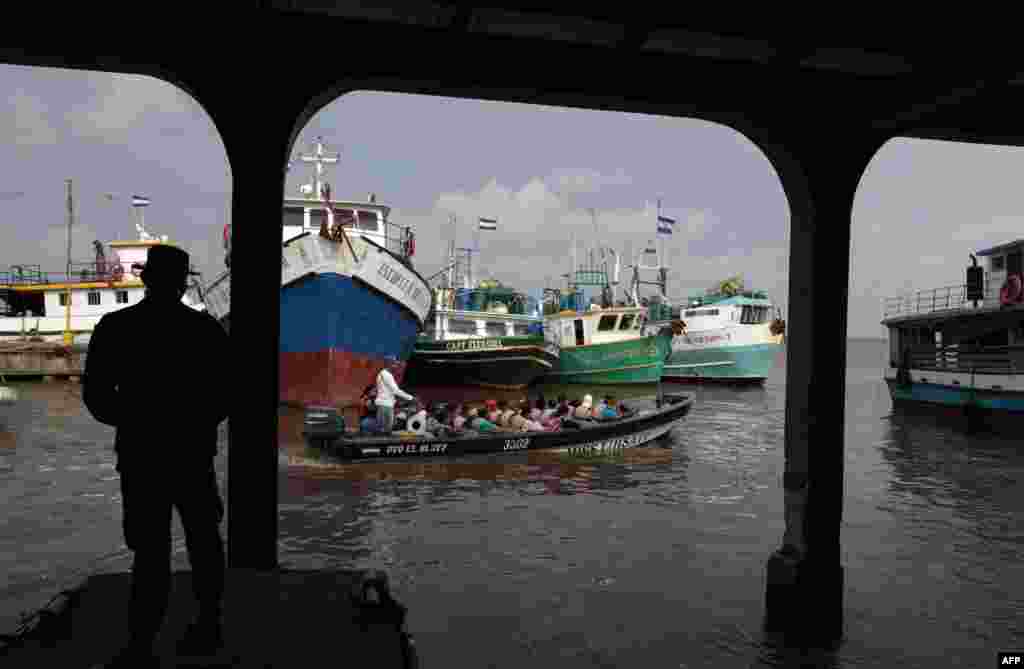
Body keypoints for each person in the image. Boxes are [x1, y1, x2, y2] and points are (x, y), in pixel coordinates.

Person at [83, 245, 230, 668]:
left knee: (149, 552)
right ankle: (209, 623)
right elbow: (226, 395)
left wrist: (135, 422)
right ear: (183, 281)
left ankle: (142, 644)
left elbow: (96, 397)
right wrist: (195, 424)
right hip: (192, 455)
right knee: (204, 540)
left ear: (146, 279)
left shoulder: (115, 327)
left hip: (140, 457)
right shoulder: (205, 331)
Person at [374, 359, 415, 434]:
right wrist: (411, 398)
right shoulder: (386, 375)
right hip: (385, 404)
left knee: (384, 429)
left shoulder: (384, 374)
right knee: (385, 429)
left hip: (385, 404)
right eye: (395, 365)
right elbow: (395, 390)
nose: (396, 367)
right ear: (389, 364)